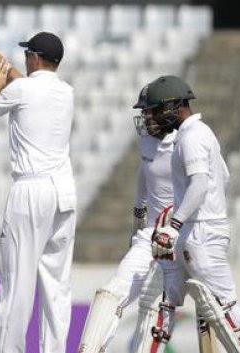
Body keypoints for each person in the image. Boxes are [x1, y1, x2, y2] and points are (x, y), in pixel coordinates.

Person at [0, 30, 76, 353]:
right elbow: (25, 84)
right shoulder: (65, 91)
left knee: (15, 284)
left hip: (31, 191)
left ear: (35, 58)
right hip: (64, 193)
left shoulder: (23, 90)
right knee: (56, 285)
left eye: (28, 54)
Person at [149, 75, 240, 352]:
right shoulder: (194, 134)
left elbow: (201, 183)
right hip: (195, 228)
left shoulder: (193, 136)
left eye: (155, 110)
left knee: (222, 307)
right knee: (168, 300)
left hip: (201, 231)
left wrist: (176, 223)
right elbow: (222, 177)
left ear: (172, 106)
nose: (151, 117)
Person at [77, 85, 178, 353]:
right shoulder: (145, 139)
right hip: (151, 236)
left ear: (167, 111)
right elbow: (144, 177)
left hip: (186, 238)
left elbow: (213, 185)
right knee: (111, 294)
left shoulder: (190, 141)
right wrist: (137, 222)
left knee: (213, 310)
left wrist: (185, 226)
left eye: (149, 112)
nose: (145, 118)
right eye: (143, 112)